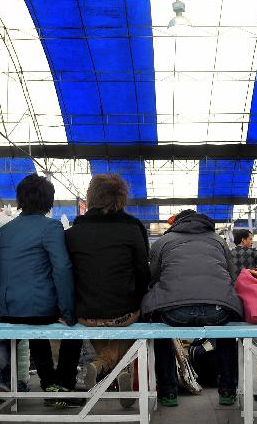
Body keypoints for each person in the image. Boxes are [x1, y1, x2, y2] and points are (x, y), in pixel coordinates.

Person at [142, 209, 243, 408]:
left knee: (162, 333)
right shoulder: (218, 240)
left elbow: (151, 277)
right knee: (227, 331)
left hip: (174, 312)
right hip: (217, 310)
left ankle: (168, 392)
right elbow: (233, 277)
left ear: (177, 223)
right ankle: (228, 392)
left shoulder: (164, 241)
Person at [65, 174, 150, 406]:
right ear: (121, 198)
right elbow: (143, 272)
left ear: (91, 197)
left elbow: (67, 274)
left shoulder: (72, 233)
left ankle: (103, 362)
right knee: (132, 317)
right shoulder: (133, 228)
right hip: (125, 312)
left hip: (86, 314)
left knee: (96, 319)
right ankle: (120, 368)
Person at [0, 174, 79, 407]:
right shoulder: (51, 227)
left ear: (21, 199)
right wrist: (68, 311)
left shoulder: (5, 230)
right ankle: (63, 385)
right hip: (38, 308)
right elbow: (62, 269)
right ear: (48, 201)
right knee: (75, 328)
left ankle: (49, 382)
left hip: (7, 308)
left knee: (35, 329)